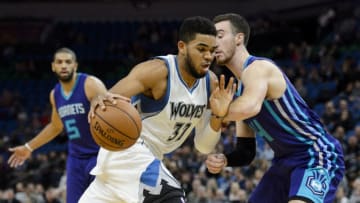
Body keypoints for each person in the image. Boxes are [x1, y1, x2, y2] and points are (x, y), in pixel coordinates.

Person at [79, 16, 235, 203]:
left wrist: (217, 116)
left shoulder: (210, 83)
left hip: (138, 164)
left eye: (212, 50)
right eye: (201, 49)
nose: (208, 56)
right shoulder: (157, 72)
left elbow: (203, 146)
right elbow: (108, 99)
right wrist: (99, 97)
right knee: (170, 196)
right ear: (182, 47)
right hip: (129, 151)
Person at [205, 13, 345, 203]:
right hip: (283, 163)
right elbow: (246, 151)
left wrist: (211, 114)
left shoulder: (259, 68)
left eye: (220, 36)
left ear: (239, 38)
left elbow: (250, 107)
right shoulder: (237, 94)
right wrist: (225, 159)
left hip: (315, 154)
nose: (214, 44)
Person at [7, 47, 108, 203]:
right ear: (53, 66)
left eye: (68, 62)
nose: (64, 65)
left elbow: (112, 117)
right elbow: (55, 126)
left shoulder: (91, 84)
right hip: (76, 159)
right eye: (59, 62)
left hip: (100, 155)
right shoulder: (55, 94)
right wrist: (28, 147)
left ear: (75, 66)